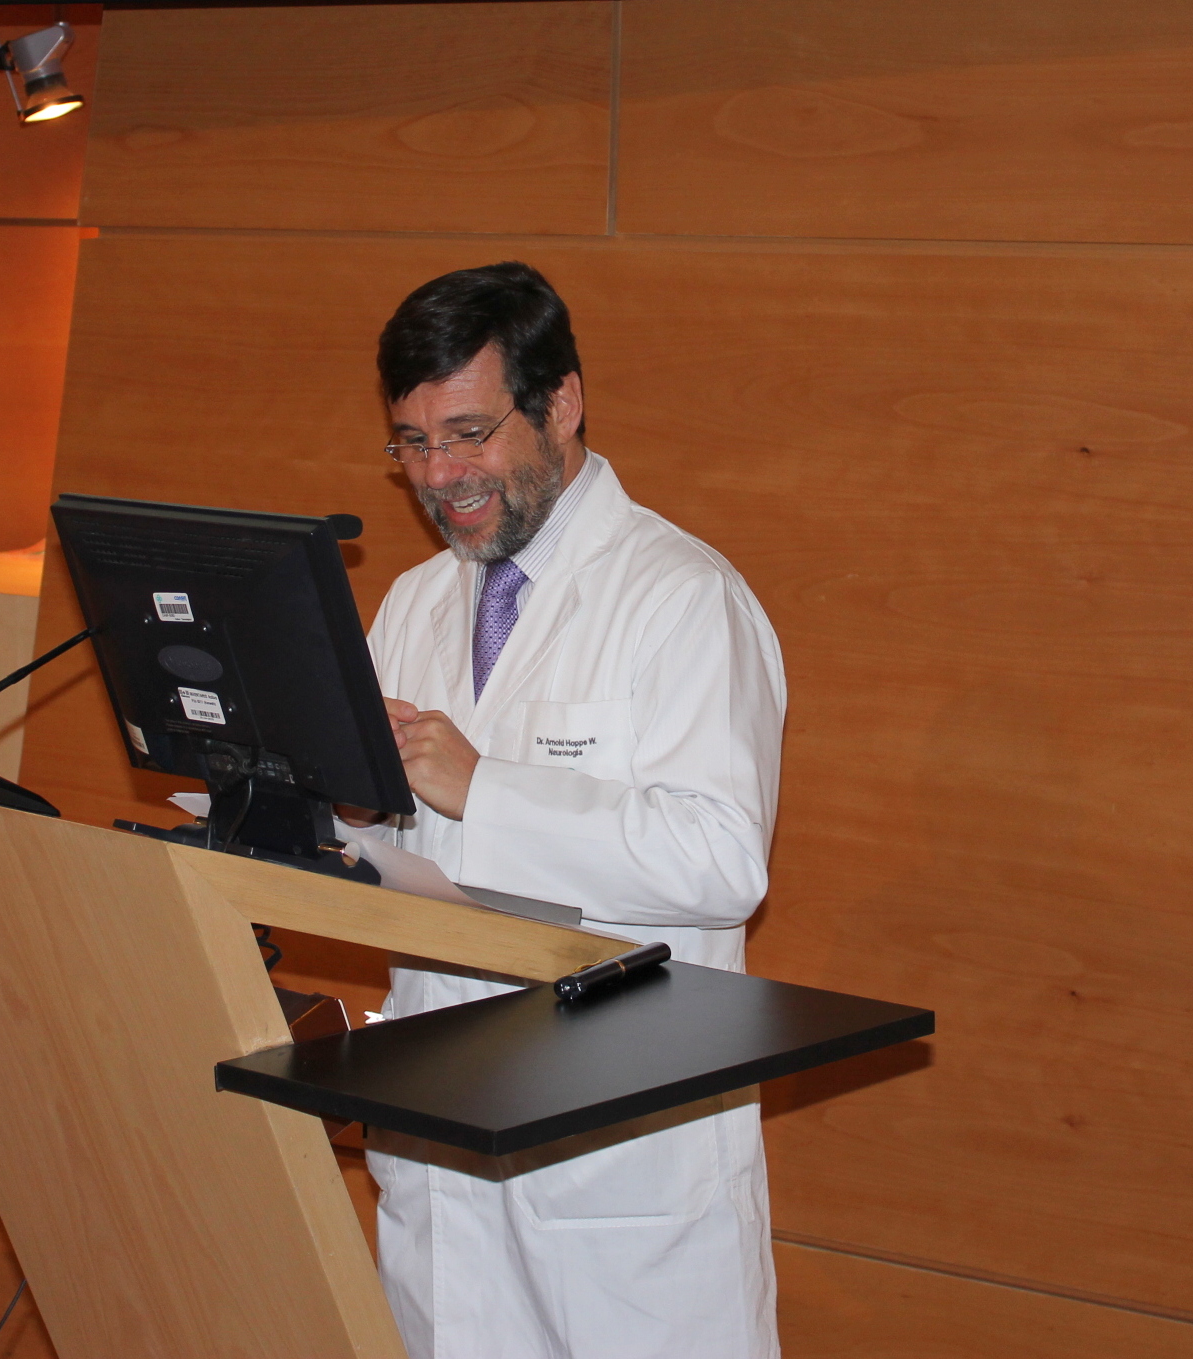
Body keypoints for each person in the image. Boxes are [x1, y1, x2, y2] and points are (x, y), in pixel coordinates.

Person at [357, 261, 787, 1359]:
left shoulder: (681, 598)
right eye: (412, 443)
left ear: (561, 403)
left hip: (617, 1173)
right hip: (444, 1146)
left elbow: (720, 860)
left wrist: (486, 789)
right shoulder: (410, 604)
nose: (439, 475)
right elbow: (388, 853)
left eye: (469, 433)